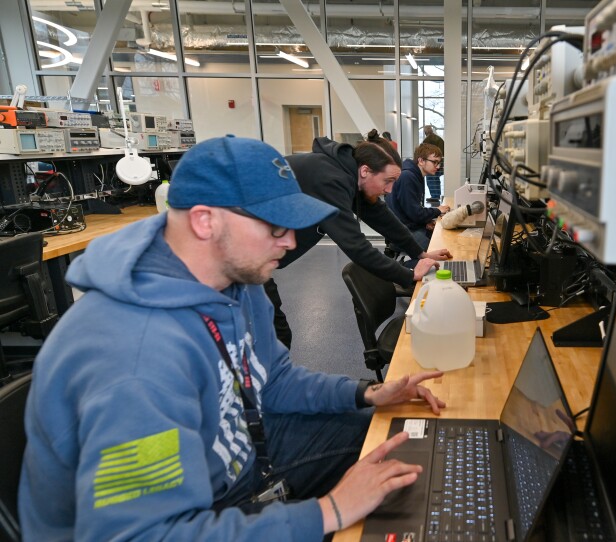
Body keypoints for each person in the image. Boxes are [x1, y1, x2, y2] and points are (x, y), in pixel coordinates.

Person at [19, 135, 447, 541]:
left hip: (236, 452)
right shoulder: (134, 361)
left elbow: (273, 380)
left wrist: (369, 393)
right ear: (206, 221)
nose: (291, 241)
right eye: (275, 227)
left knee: (406, 445)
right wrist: (328, 511)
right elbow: (144, 534)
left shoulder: (237, 281)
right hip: (182, 512)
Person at [263, 128, 452, 347]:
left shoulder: (348, 174)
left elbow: (381, 216)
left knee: (275, 338)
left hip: (258, 257)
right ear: (365, 171)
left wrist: (419, 253)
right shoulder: (330, 179)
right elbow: (356, 245)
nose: (390, 190)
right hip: (238, 256)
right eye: (387, 181)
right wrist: (408, 275)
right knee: (276, 337)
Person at [386, 142, 451, 250]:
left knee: (439, 236)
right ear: (421, 161)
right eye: (434, 162)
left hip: (408, 227)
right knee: (438, 248)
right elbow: (415, 213)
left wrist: (425, 222)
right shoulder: (408, 177)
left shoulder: (415, 175)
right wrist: (438, 210)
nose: (438, 167)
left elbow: (411, 210)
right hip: (401, 234)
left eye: (439, 163)